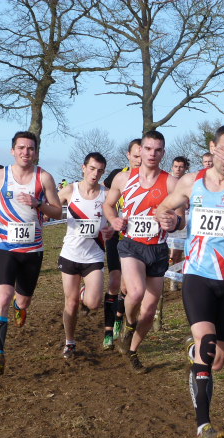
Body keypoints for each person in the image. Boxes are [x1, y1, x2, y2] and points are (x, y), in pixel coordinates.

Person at [155, 124, 224, 438]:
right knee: (207, 345)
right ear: (213, 147)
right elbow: (164, 208)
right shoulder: (192, 182)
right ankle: (204, 426)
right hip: (198, 275)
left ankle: (195, 354)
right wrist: (171, 221)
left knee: (216, 361)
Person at [0, 131, 62, 374]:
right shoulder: (1, 175)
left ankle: (21, 307)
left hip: (33, 250)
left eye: (30, 148)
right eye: (21, 148)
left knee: (23, 299)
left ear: (36, 152)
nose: (25, 152)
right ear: (13, 150)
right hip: (5, 247)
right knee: (2, 297)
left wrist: (38, 204)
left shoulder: (45, 178)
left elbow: (58, 212)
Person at [103, 131, 178, 373]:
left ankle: (133, 349)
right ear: (141, 150)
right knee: (135, 292)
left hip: (157, 247)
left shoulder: (171, 182)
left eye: (158, 150)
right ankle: (128, 323)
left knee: (150, 307)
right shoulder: (124, 180)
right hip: (132, 244)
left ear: (163, 153)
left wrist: (174, 223)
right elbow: (108, 204)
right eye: (148, 149)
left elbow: (182, 219)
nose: (152, 154)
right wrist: (113, 219)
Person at [57, 153, 113, 357]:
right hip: (71, 254)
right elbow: (52, 206)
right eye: (92, 168)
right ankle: (70, 342)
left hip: (94, 256)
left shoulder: (107, 194)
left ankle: (84, 293)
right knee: (70, 303)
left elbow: (116, 218)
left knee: (94, 302)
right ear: (83, 168)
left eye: (99, 170)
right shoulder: (70, 190)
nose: (95, 174)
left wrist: (112, 230)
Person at [102, 139, 142, 348]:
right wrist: (112, 220)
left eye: (142, 156)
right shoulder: (119, 175)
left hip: (136, 240)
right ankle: (109, 331)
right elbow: (107, 194)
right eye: (135, 156)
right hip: (117, 236)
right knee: (115, 283)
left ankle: (119, 315)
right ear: (128, 155)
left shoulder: (150, 178)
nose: (139, 160)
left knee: (128, 287)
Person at [168, 156, 190, 290]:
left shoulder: (189, 182)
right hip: (172, 221)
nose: (178, 169)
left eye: (181, 167)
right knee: (173, 253)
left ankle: (180, 277)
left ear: (185, 168)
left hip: (187, 221)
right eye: (175, 166)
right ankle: (173, 278)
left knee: (182, 252)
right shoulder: (168, 181)